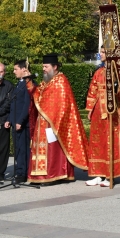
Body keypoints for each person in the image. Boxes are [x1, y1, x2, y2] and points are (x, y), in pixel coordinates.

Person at [23, 54, 88, 184]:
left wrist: (52, 117)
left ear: (55, 67)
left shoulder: (61, 81)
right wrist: (28, 81)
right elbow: (37, 94)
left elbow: (62, 104)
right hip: (43, 121)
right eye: (43, 66)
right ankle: (41, 175)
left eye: (46, 67)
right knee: (48, 148)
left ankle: (54, 175)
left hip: (55, 122)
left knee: (54, 149)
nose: (44, 69)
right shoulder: (47, 81)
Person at [85, 49, 120, 187]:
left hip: (113, 113)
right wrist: (90, 109)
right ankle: (98, 174)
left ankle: (109, 175)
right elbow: (92, 91)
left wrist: (117, 86)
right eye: (100, 52)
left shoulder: (117, 72)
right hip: (98, 113)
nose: (101, 55)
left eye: (104, 52)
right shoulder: (98, 72)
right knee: (97, 143)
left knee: (110, 142)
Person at [4, 58, 32, 183]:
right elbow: (14, 104)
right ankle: (19, 170)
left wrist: (20, 121)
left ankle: (23, 173)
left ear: (23, 69)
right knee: (17, 149)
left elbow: (27, 104)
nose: (14, 71)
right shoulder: (20, 83)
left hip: (22, 123)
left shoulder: (28, 83)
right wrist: (9, 119)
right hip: (14, 122)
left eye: (16, 69)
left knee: (23, 149)